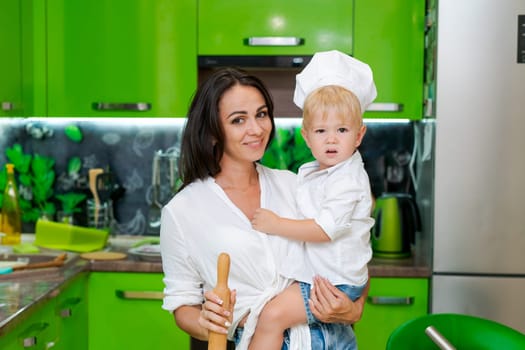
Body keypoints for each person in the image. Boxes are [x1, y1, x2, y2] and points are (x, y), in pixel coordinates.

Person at [160, 66, 369, 349]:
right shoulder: (183, 211)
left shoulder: (295, 185)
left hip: (332, 338)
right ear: (212, 132)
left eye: (261, 114)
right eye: (238, 120)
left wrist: (354, 309)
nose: (256, 129)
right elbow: (182, 303)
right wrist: (205, 323)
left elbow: (351, 249)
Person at [249, 50, 377, 350]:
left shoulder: (347, 178)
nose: (331, 139)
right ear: (307, 137)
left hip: (334, 282)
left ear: (359, 135)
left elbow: (323, 229)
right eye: (322, 131)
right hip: (332, 277)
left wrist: (276, 224)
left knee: (272, 316)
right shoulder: (314, 172)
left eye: (342, 130)